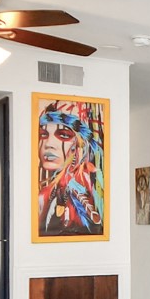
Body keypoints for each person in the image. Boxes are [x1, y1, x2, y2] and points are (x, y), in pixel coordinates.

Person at [37, 102, 104, 237]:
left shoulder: (92, 186)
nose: (48, 144)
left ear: (80, 146)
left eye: (64, 135)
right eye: (43, 134)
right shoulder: (44, 196)